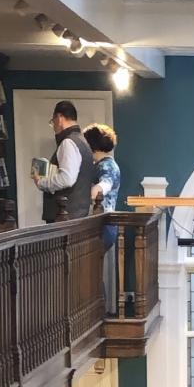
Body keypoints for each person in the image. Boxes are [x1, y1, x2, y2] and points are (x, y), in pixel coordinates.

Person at [32, 100, 96, 222]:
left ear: (60, 118)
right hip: (80, 215)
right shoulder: (83, 141)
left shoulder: (68, 143)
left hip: (65, 217)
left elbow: (67, 178)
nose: (53, 126)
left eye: (53, 122)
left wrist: (41, 182)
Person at [85, 122, 121, 313]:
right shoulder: (107, 164)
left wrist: (94, 191)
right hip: (107, 227)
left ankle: (99, 312)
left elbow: (104, 184)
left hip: (103, 225)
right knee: (93, 269)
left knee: (92, 270)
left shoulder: (106, 166)